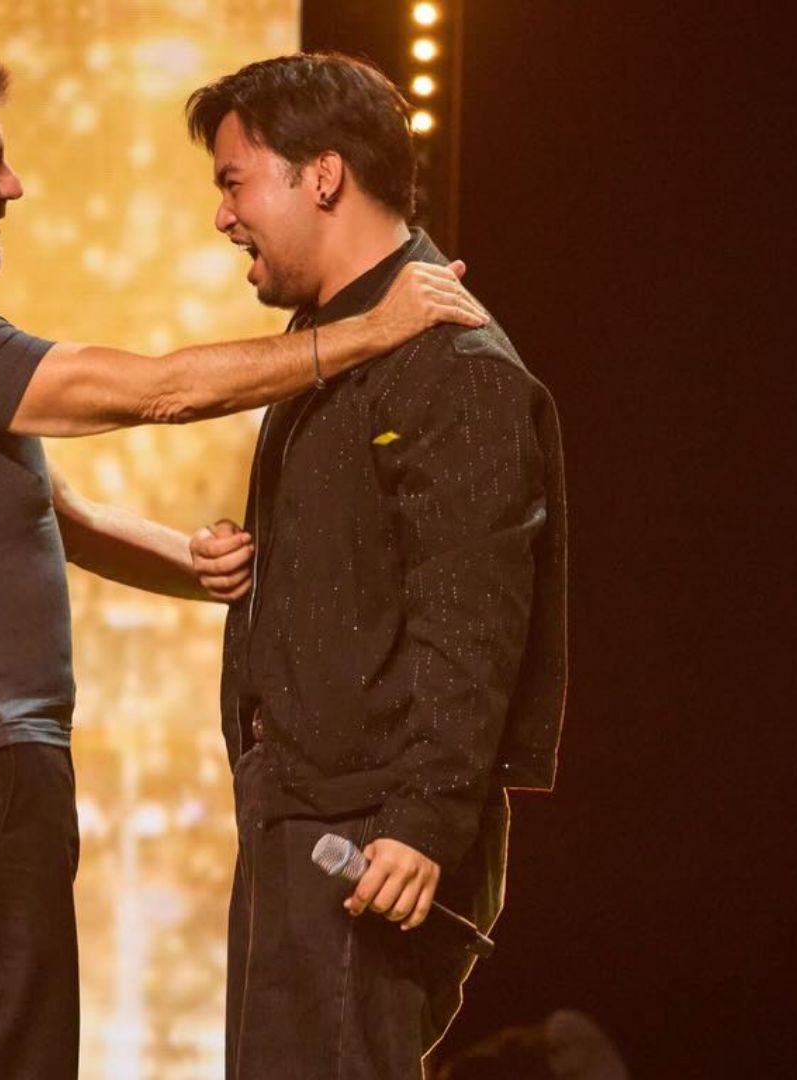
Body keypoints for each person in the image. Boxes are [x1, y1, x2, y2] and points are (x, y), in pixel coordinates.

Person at [0, 44, 485, 1080]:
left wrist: (202, 568)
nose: (13, 186)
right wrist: (368, 331)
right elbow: (157, 390)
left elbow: (61, 516)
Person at [183, 52, 570, 1079]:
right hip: (307, 816)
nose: (223, 216)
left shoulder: (453, 362)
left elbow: (475, 615)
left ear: (323, 175)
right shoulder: (338, 343)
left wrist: (423, 822)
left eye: (234, 181)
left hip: (368, 842)